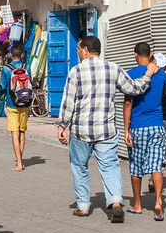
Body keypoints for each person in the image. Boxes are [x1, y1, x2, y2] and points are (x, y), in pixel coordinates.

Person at [58, 36, 159, 223]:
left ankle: (82, 206)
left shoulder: (75, 72)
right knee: (110, 166)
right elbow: (134, 89)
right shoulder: (113, 68)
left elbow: (68, 102)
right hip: (106, 129)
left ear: (86, 50)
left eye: (79, 49)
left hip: (81, 131)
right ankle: (115, 202)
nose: (78, 52)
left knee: (80, 167)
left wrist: (63, 126)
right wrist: (148, 75)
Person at [123, 43, 166, 221]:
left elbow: (127, 103)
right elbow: (165, 92)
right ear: (150, 55)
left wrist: (126, 130)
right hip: (157, 126)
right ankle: (158, 202)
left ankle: (137, 205)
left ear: (135, 55)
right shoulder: (161, 73)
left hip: (138, 127)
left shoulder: (131, 74)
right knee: (156, 166)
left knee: (136, 166)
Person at [0, 45, 29, 172]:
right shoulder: (27, 67)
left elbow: (2, 86)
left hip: (12, 104)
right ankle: (20, 160)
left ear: (11, 55)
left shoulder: (6, 68)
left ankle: (19, 164)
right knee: (22, 132)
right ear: (22, 55)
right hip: (25, 103)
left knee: (14, 133)